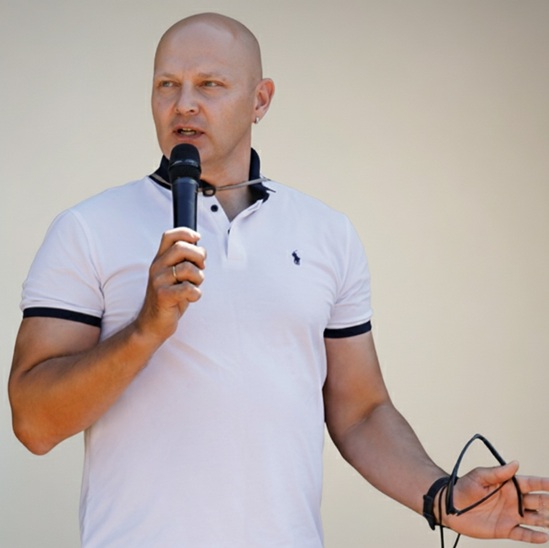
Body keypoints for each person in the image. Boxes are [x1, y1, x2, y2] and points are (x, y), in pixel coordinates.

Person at [8, 12, 549, 547]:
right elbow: (33, 422)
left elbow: (360, 412)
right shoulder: (88, 229)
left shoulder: (326, 232)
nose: (184, 104)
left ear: (260, 100)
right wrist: (145, 330)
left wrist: (443, 497)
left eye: (209, 84)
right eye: (167, 84)